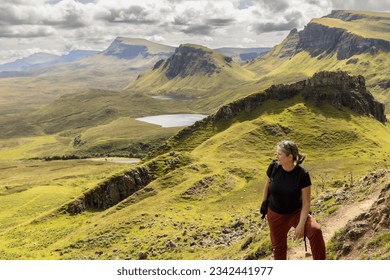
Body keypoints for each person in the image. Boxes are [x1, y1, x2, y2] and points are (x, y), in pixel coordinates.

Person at [261, 140, 326, 260]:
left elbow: (306, 203)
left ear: (290, 157)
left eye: (280, 154)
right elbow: (267, 187)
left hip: (296, 213)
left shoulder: (302, 174)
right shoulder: (273, 167)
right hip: (275, 215)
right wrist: (264, 207)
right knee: (279, 249)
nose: (277, 157)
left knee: (315, 231)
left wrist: (301, 225)